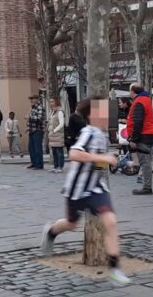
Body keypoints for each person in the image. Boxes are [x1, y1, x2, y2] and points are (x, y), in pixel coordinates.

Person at [40, 99, 131, 286]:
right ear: (91, 115)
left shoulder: (103, 135)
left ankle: (114, 268)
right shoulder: (88, 132)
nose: (106, 115)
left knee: (111, 222)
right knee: (71, 224)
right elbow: (74, 153)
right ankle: (51, 231)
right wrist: (102, 158)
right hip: (77, 189)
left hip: (96, 188)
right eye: (101, 112)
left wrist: (110, 160)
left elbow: (97, 163)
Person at [126, 84, 153, 194]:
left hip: (143, 136)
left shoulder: (139, 102)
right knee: (146, 161)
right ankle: (147, 186)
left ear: (133, 91)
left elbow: (138, 122)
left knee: (145, 162)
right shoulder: (146, 100)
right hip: (148, 134)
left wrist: (134, 139)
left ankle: (147, 187)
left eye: (129, 91)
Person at [47, 97, 66, 173]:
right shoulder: (52, 112)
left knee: (59, 151)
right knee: (54, 151)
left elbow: (61, 124)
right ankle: (55, 166)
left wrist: (54, 130)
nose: (51, 103)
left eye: (52, 101)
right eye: (50, 102)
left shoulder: (60, 112)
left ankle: (60, 167)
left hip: (57, 134)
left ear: (56, 102)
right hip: (52, 135)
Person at [26, 95, 45, 170]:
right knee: (31, 148)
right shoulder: (32, 108)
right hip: (31, 130)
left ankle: (39, 164)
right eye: (30, 99)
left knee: (37, 148)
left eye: (32, 99)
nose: (31, 100)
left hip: (38, 130)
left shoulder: (40, 107)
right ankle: (33, 163)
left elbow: (39, 119)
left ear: (37, 99)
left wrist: (29, 118)